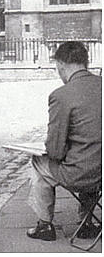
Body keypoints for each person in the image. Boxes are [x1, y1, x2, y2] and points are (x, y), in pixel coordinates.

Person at [26, 41, 102, 241]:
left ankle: (44, 225)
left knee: (37, 163)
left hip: (80, 174)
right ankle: (86, 223)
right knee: (92, 155)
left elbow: (55, 151)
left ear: (61, 64)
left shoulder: (61, 95)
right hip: (101, 173)